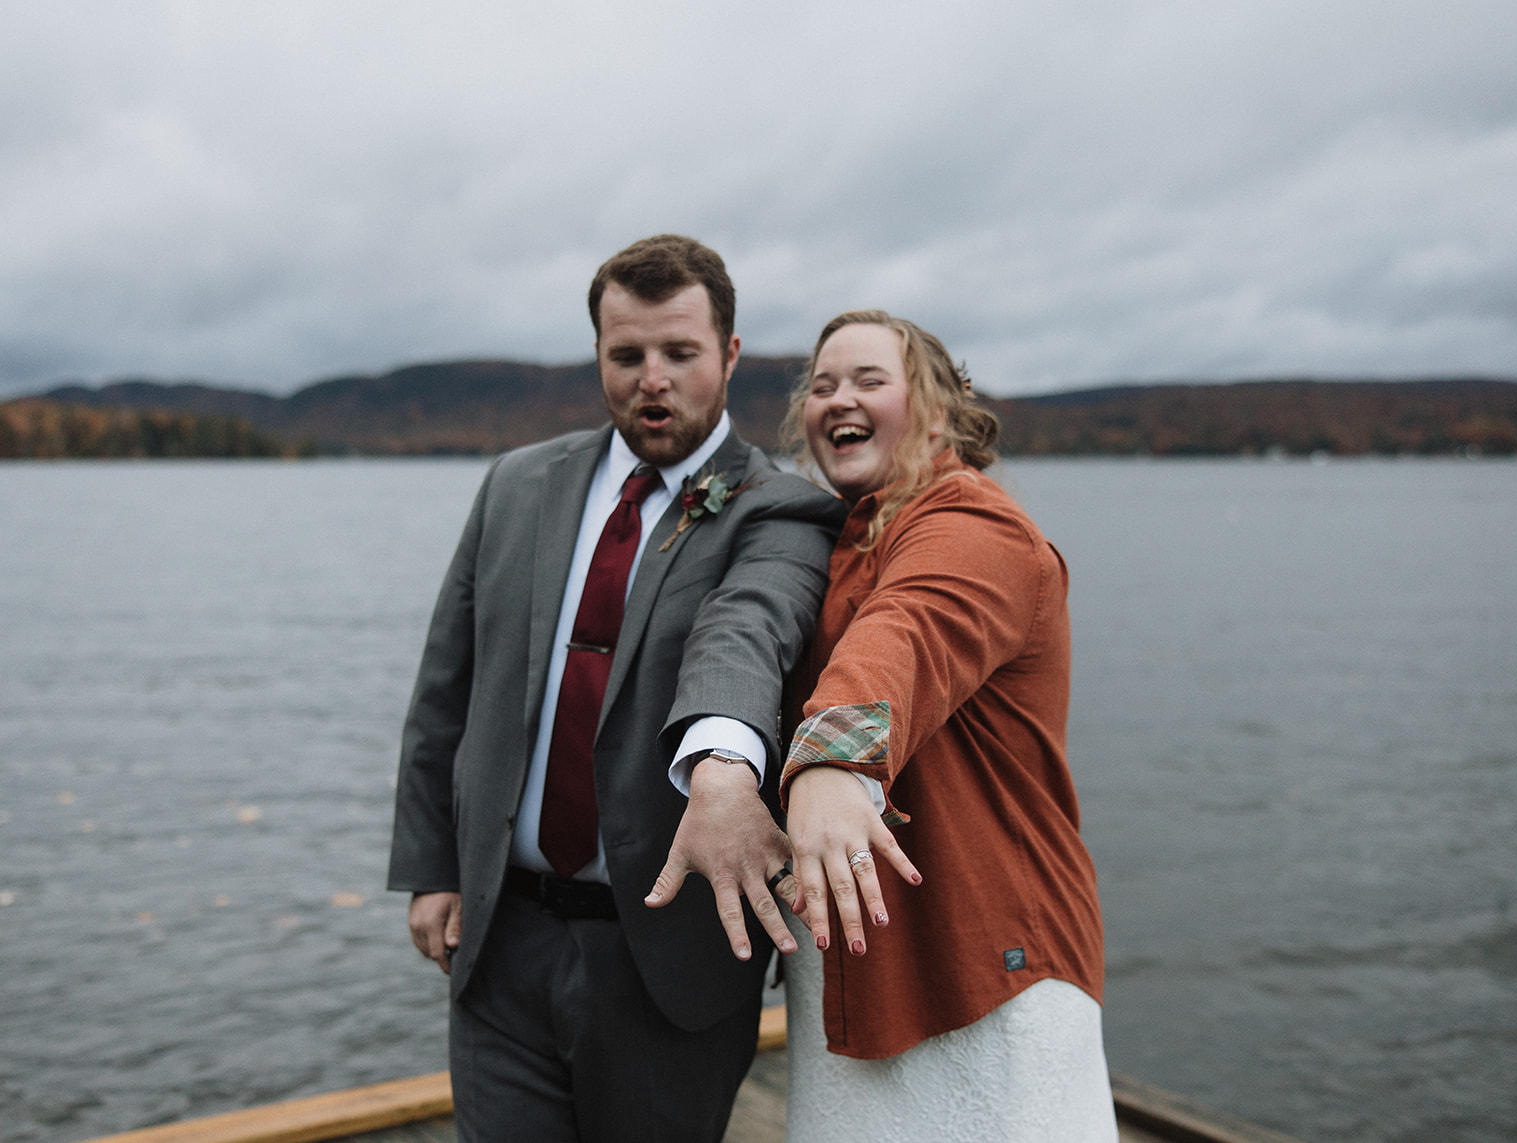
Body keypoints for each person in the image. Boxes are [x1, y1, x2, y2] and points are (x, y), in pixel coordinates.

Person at [387, 235, 846, 1142]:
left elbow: (744, 632)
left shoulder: (780, 508)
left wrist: (722, 763)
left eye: (680, 353)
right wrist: (432, 865)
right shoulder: (517, 485)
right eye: (626, 354)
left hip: (665, 960)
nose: (653, 379)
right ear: (598, 353)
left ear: (731, 355)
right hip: (499, 937)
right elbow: (447, 686)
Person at [776, 311, 1118, 1142]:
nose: (838, 399)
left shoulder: (974, 526)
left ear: (935, 410)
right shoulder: (838, 536)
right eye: (822, 385)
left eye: (867, 380)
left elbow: (910, 630)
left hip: (983, 961)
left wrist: (830, 757)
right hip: (858, 962)